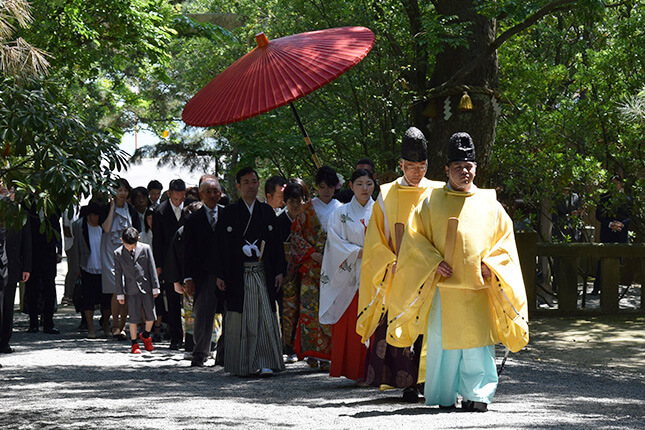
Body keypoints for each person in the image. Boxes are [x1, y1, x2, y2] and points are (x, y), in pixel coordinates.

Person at [387, 132, 529, 412]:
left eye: (469, 167)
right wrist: (431, 262)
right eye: (458, 167)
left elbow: (505, 241)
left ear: (476, 168)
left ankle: (479, 395)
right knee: (443, 343)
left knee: (478, 345)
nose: (465, 172)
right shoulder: (430, 201)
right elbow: (414, 239)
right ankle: (443, 394)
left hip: (478, 285)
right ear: (446, 170)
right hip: (443, 285)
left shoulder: (490, 203)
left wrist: (493, 266)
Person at [356, 127, 442, 401]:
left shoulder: (439, 192)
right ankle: (405, 382)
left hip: (431, 272)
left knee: (429, 327)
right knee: (402, 322)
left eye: (421, 166)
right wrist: (388, 261)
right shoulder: (387, 193)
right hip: (399, 270)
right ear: (401, 165)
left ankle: (430, 381)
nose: (417, 172)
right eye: (411, 166)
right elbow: (375, 238)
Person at [215, 167, 286, 376]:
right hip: (238, 273)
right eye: (246, 182)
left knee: (264, 314)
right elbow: (219, 246)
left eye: (254, 181)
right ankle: (241, 363)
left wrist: (279, 271)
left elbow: (276, 245)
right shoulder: (228, 213)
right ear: (238, 186)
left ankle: (265, 361)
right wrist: (220, 273)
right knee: (240, 316)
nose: (250, 185)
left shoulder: (266, 212)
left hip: (262, 272)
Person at [320, 168, 375, 382]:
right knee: (351, 320)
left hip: (374, 270)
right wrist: (357, 252)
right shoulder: (340, 213)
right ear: (351, 186)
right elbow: (334, 243)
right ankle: (354, 370)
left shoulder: (380, 210)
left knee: (374, 319)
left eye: (368, 184)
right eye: (359, 184)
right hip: (350, 272)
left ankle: (373, 371)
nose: (364, 188)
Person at [290, 166, 342, 370]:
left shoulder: (342, 208)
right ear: (316, 187)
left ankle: (330, 353)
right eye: (321, 187)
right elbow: (296, 235)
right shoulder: (308, 208)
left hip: (336, 265)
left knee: (333, 308)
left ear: (335, 187)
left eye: (329, 187)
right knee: (311, 310)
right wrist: (312, 253)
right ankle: (312, 353)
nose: (326, 191)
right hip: (312, 265)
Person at [183, 178, 224, 367]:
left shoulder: (228, 214)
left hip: (225, 271)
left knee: (229, 313)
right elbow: (187, 251)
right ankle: (200, 353)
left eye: (216, 191)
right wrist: (188, 278)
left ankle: (224, 353)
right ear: (201, 194)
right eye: (208, 191)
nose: (213, 195)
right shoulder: (193, 219)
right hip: (203, 273)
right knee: (203, 314)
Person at [100, 179, 140, 340]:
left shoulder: (132, 210)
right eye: (119, 190)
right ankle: (114, 324)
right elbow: (107, 228)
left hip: (128, 252)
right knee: (117, 289)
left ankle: (123, 326)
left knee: (127, 290)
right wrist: (111, 207)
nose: (122, 193)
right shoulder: (105, 209)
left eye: (125, 190)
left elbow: (138, 234)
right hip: (109, 253)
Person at [276, 178, 309, 362]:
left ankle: (305, 346)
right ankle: (288, 346)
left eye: (299, 201)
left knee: (307, 306)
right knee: (288, 308)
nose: (295, 205)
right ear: (285, 202)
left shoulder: (309, 219)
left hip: (306, 269)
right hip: (287, 270)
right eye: (291, 202)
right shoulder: (280, 221)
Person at [152, 179, 187, 350]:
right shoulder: (160, 211)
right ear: (169, 194)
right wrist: (158, 265)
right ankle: (176, 336)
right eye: (175, 199)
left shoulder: (191, 208)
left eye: (181, 199)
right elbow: (157, 241)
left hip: (188, 258)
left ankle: (192, 335)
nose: (179, 202)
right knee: (172, 300)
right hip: (169, 260)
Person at [115, 227, 161, 354]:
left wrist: (155, 286)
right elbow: (118, 274)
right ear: (122, 240)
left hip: (146, 286)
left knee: (151, 315)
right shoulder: (118, 253)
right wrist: (120, 293)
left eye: (133, 245)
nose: (130, 248)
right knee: (134, 317)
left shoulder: (145, 248)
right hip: (131, 288)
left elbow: (151, 267)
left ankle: (146, 335)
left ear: (138, 239)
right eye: (127, 245)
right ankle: (134, 343)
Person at [73, 202, 111, 338]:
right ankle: (90, 328)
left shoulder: (104, 225)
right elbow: (75, 247)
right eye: (94, 215)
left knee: (106, 300)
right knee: (88, 299)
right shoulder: (79, 225)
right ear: (89, 214)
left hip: (104, 268)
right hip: (86, 267)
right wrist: (76, 267)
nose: (96, 218)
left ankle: (106, 324)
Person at [0, 193, 31, 353]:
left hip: (12, 265)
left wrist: (26, 266)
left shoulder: (19, 213)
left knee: (7, 306)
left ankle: (4, 340)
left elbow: (26, 241)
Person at [25, 205, 62, 334]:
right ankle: (33, 323)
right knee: (33, 289)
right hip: (33, 253)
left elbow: (57, 228)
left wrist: (59, 250)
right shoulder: (27, 205)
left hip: (49, 253)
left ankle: (49, 322)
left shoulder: (51, 205)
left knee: (49, 288)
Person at [592, 175, 632, 294]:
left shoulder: (626, 199)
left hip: (620, 233)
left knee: (618, 260)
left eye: (617, 183)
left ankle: (613, 288)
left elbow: (630, 216)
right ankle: (597, 287)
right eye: (612, 184)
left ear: (620, 184)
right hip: (607, 232)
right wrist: (610, 224)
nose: (615, 186)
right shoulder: (604, 197)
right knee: (603, 259)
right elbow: (598, 215)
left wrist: (621, 225)